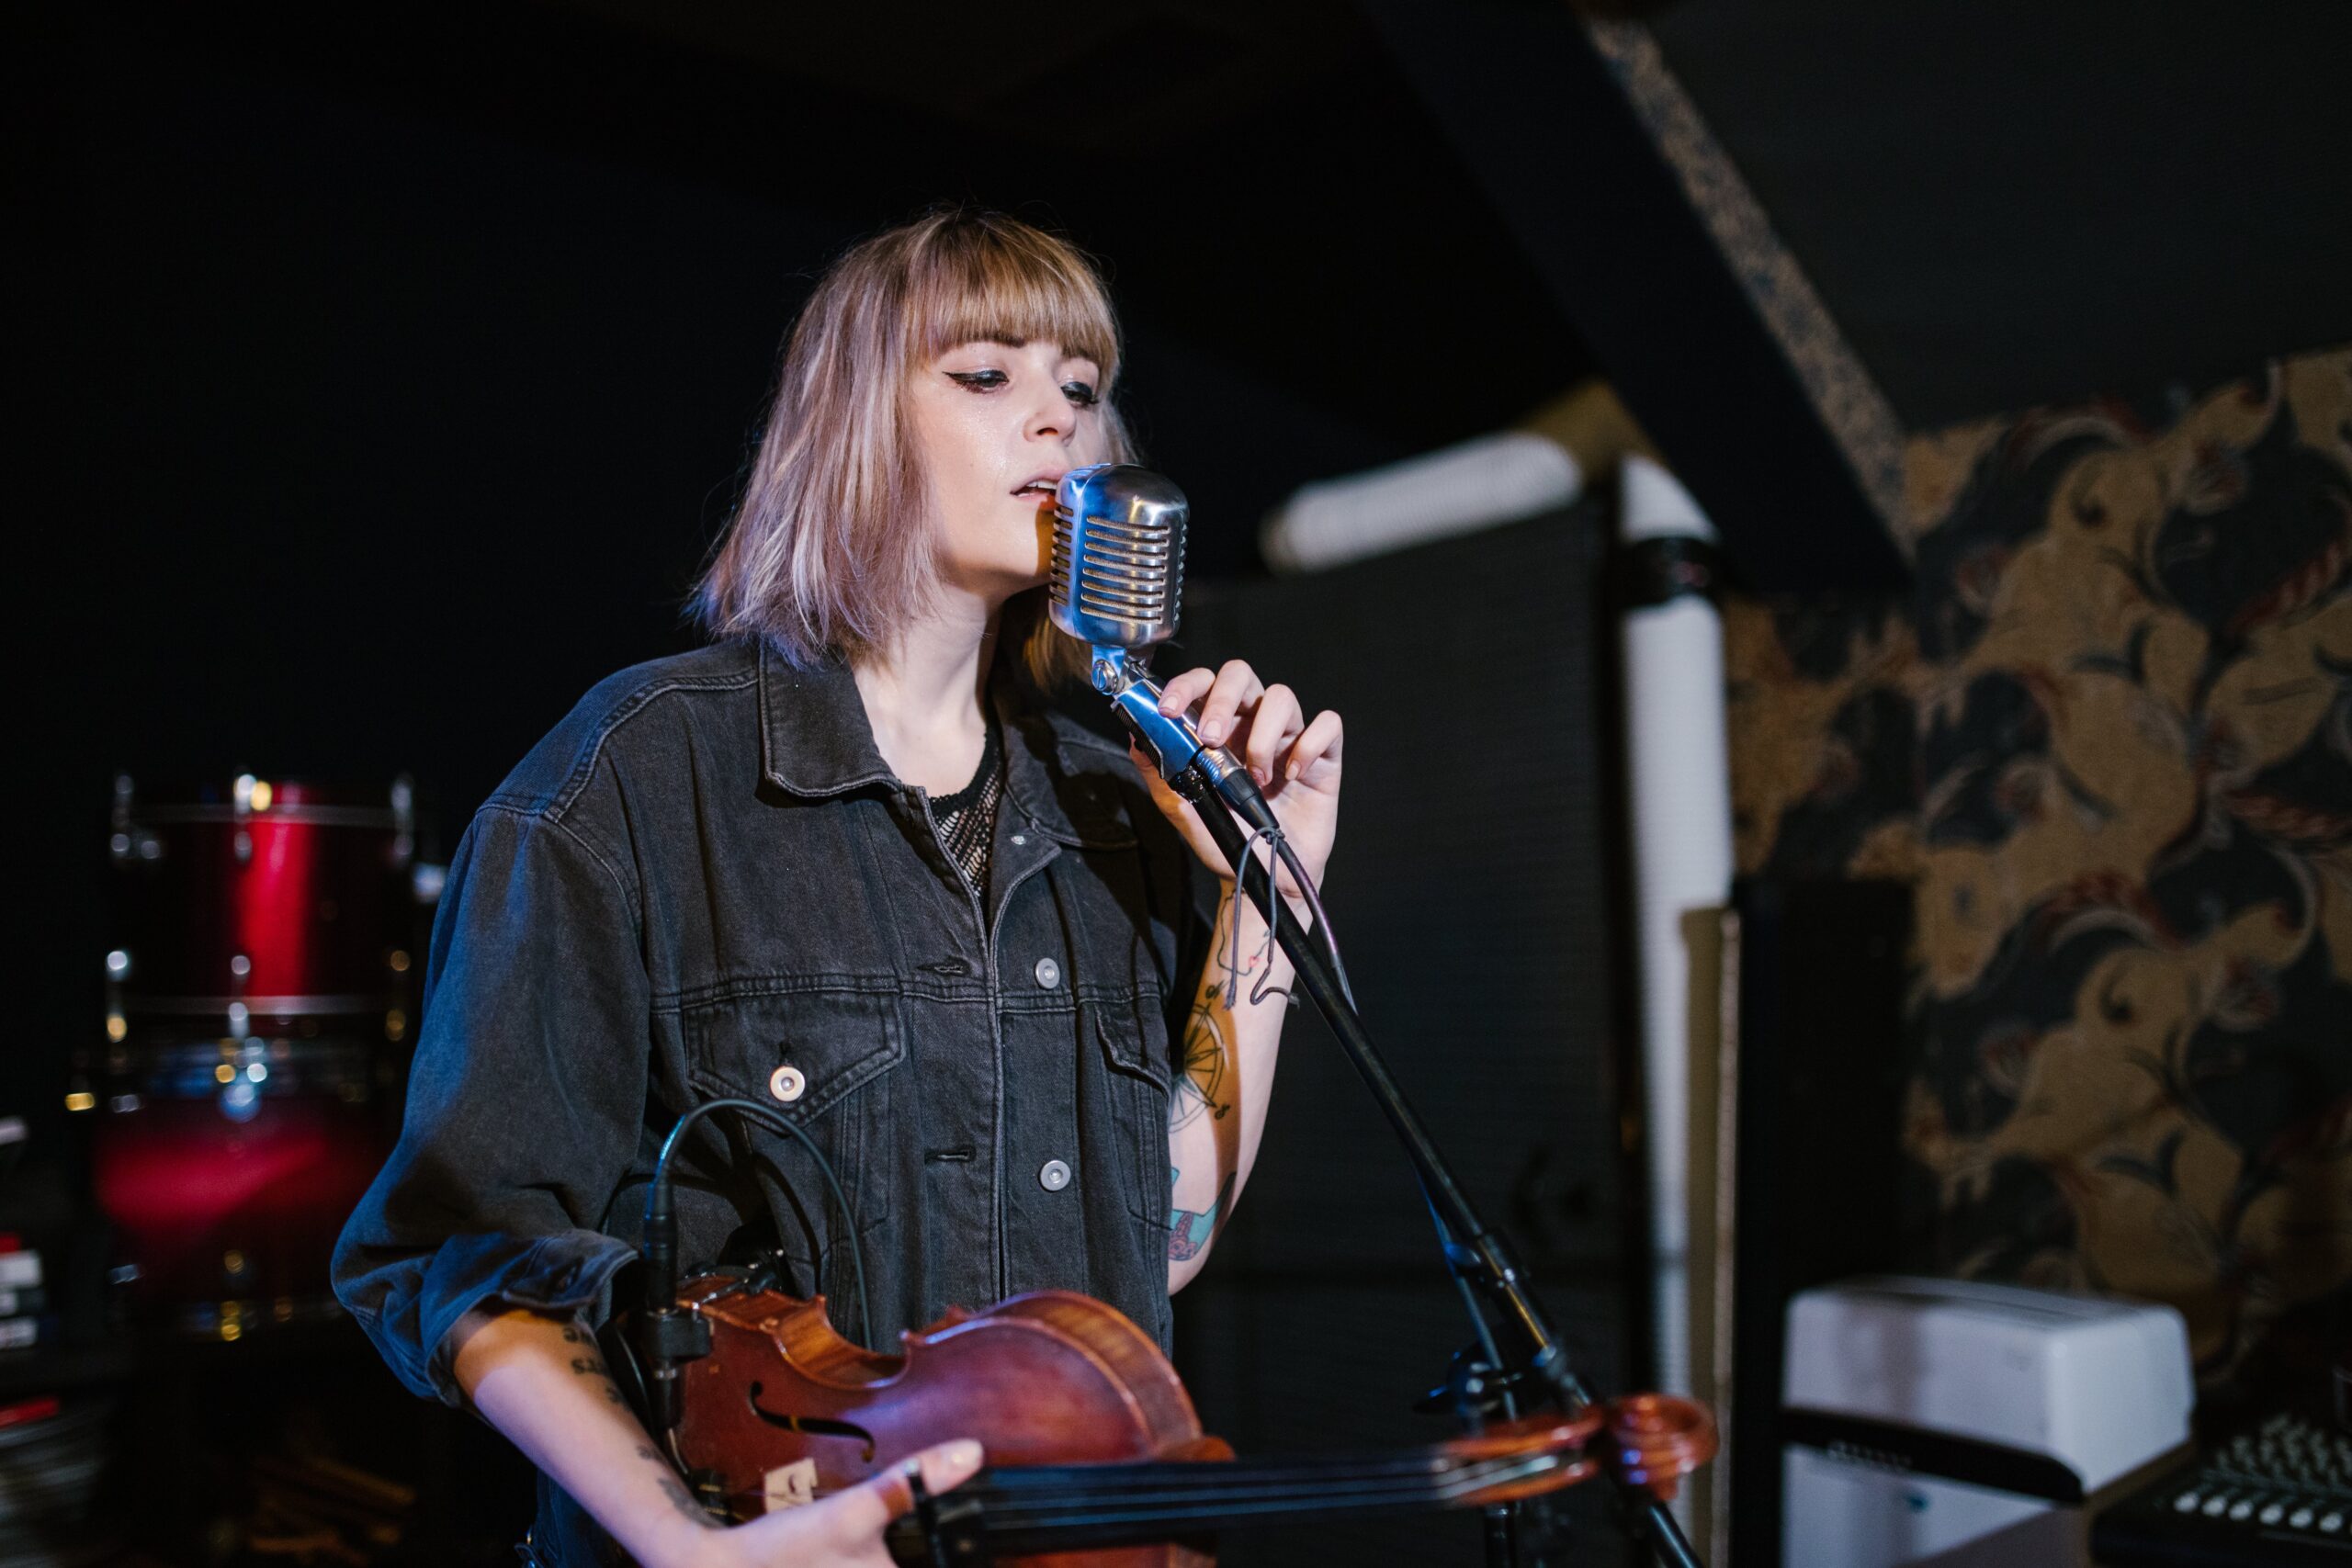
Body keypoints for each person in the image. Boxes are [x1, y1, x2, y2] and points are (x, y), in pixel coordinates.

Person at [332, 208, 1343, 1567]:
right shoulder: (638, 774)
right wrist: (681, 1544)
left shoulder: (1114, 800)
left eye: (1082, 388)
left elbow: (1155, 1248)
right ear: (856, 420)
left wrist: (1264, 894)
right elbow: (462, 1250)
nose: (1057, 420)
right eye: (988, 374)